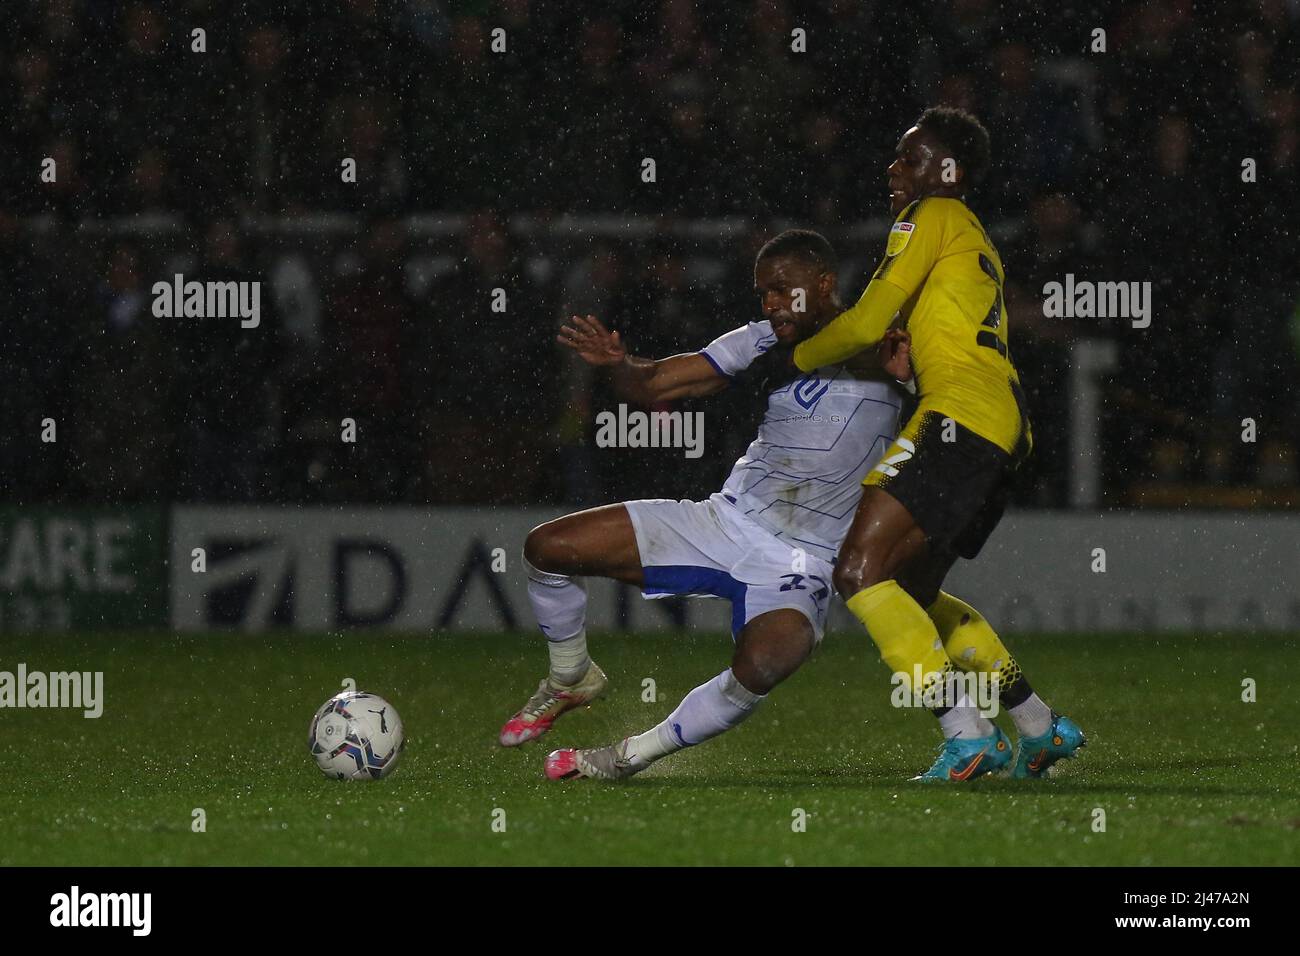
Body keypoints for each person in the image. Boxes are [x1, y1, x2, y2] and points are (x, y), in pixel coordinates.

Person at [497, 229, 912, 780]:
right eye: (762, 291)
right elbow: (656, 386)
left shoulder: (889, 343)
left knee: (764, 663)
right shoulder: (762, 339)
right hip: (726, 521)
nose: (769, 303)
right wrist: (619, 364)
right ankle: (570, 675)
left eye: (781, 289)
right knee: (548, 547)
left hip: (805, 559)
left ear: (823, 283)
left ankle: (627, 757)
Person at [790, 107, 1086, 781]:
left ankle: (966, 734)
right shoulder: (974, 234)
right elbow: (935, 329)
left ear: (947, 172)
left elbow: (865, 320)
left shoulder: (931, 215)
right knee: (913, 589)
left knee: (858, 573)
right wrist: (912, 357)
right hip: (1003, 425)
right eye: (897, 158)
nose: (896, 170)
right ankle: (1040, 726)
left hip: (960, 417)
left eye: (911, 158)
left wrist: (798, 354)